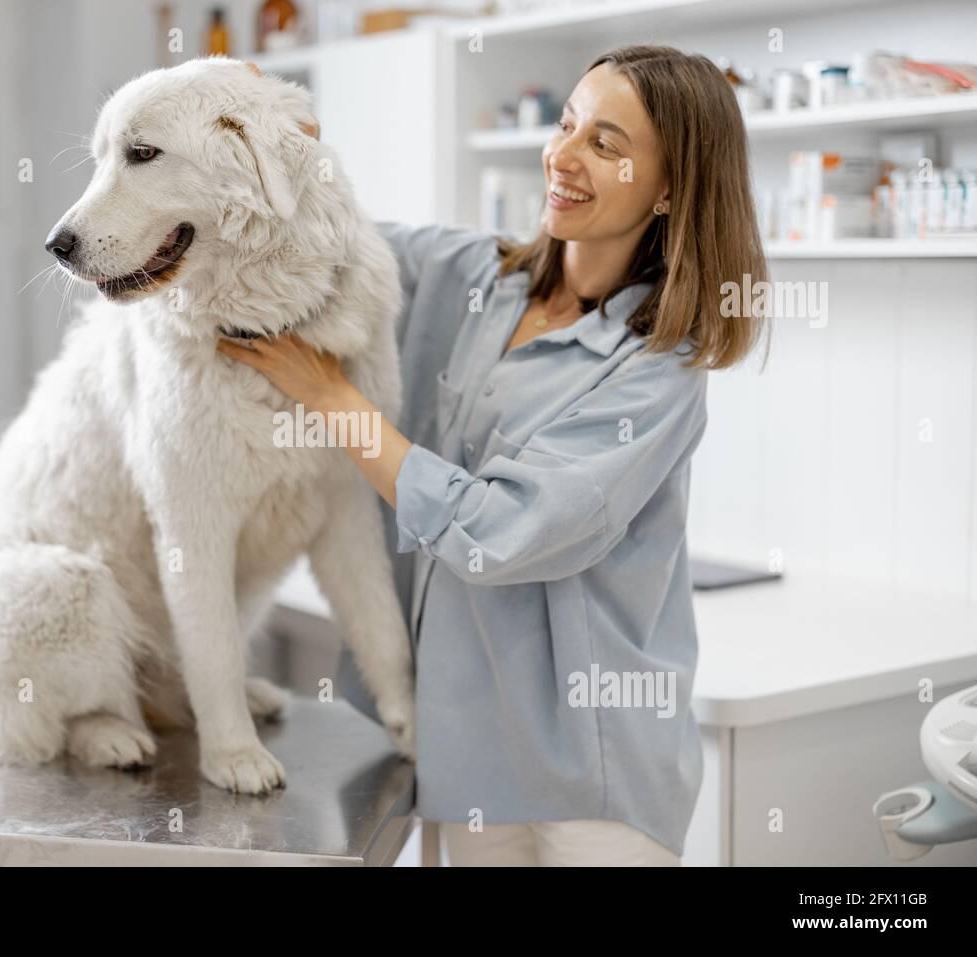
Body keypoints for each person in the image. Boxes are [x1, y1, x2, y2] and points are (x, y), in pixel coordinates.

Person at [220, 45, 769, 866]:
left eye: (606, 145)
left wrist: (333, 397)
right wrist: (275, 142)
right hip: (466, 752)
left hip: (592, 775)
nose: (564, 156)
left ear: (668, 190)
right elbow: (332, 241)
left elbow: (501, 530)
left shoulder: (656, 368)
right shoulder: (471, 274)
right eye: (567, 124)